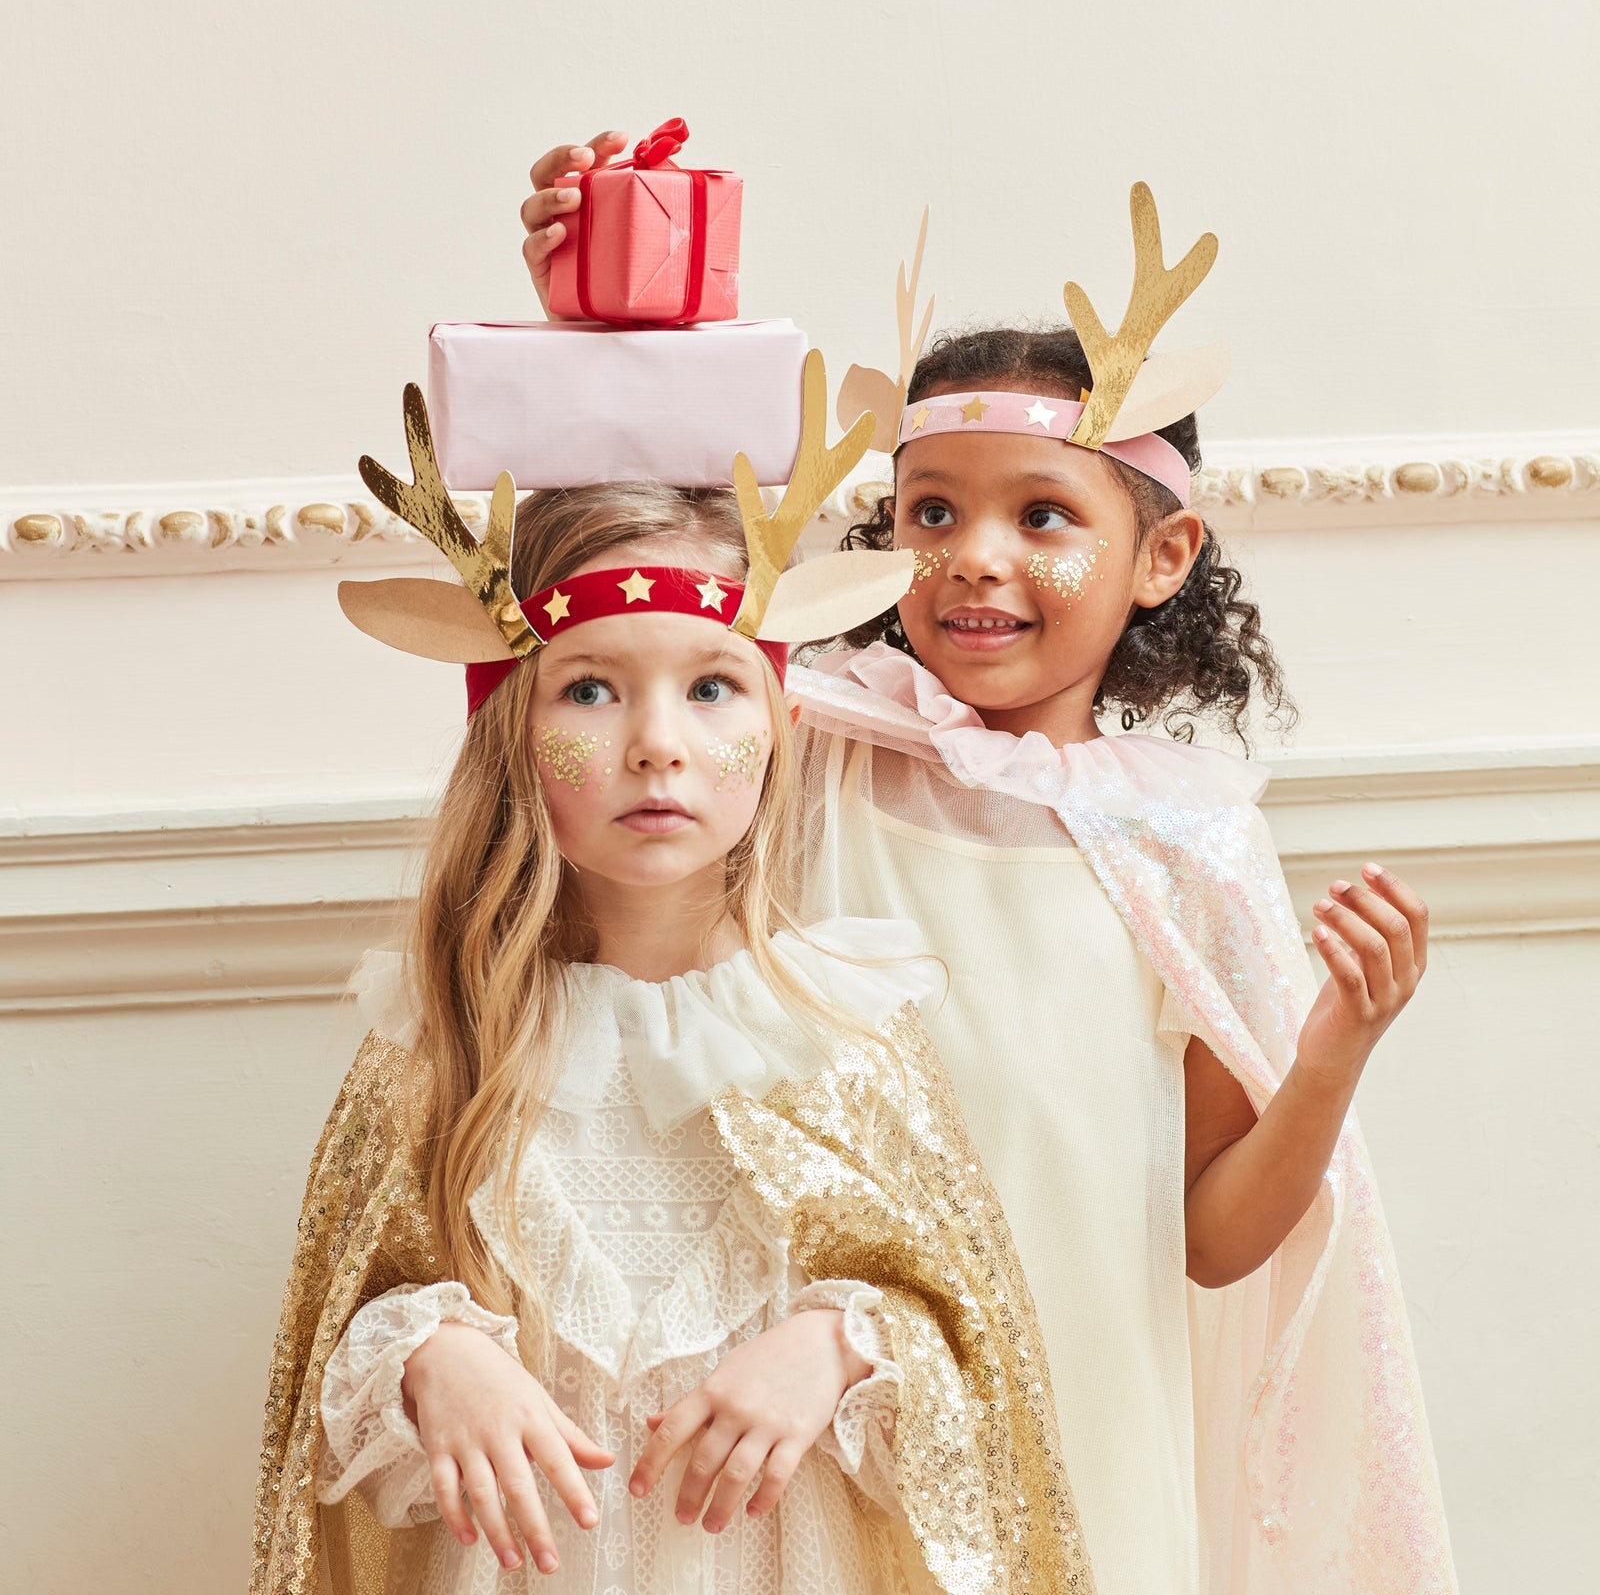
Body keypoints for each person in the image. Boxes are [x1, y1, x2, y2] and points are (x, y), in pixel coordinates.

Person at [520, 141, 1457, 1595]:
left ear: (1162, 554)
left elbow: (1211, 1241)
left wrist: (1333, 1053)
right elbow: (605, 599)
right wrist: (599, 327)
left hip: (1079, 1414)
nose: (971, 557)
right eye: (932, 510)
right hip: (809, 1415)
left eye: (1044, 515)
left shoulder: (1184, 846)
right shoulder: (800, 748)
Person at [253, 367, 1094, 1594]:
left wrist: (843, 1345)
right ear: (510, 730)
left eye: (710, 687)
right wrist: (427, 1353)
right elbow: (323, 1389)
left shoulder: (842, 1040)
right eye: (590, 688)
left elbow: (981, 1376)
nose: (658, 742)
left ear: (778, 728)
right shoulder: (444, 1045)